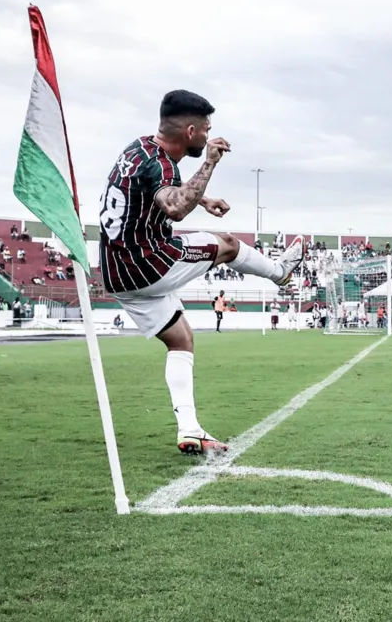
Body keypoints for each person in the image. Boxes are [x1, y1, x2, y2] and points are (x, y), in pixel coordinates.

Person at [98, 90, 303, 456]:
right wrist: (209, 164)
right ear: (190, 131)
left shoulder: (138, 148)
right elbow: (174, 208)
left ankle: (190, 430)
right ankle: (280, 273)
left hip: (117, 274)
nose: (209, 136)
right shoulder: (161, 164)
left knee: (181, 340)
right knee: (226, 243)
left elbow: (154, 195)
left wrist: (203, 199)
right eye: (207, 130)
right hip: (147, 263)